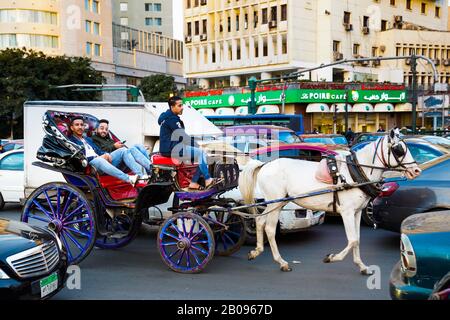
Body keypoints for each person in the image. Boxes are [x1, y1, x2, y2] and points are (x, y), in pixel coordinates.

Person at [158, 96, 216, 190]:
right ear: (172, 107)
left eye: (182, 105)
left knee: (201, 156)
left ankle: (194, 182)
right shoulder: (172, 119)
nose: (182, 107)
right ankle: (207, 179)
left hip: (169, 147)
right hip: (172, 149)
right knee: (201, 153)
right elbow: (183, 136)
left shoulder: (166, 117)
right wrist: (197, 145)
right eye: (179, 105)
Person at [68, 116, 139, 185]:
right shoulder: (70, 141)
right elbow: (79, 157)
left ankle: (140, 175)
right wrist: (99, 157)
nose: (80, 127)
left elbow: (99, 151)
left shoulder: (88, 139)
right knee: (99, 160)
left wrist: (106, 154)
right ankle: (129, 179)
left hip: (102, 162)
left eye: (82, 125)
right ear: (72, 128)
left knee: (123, 150)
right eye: (77, 125)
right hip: (90, 166)